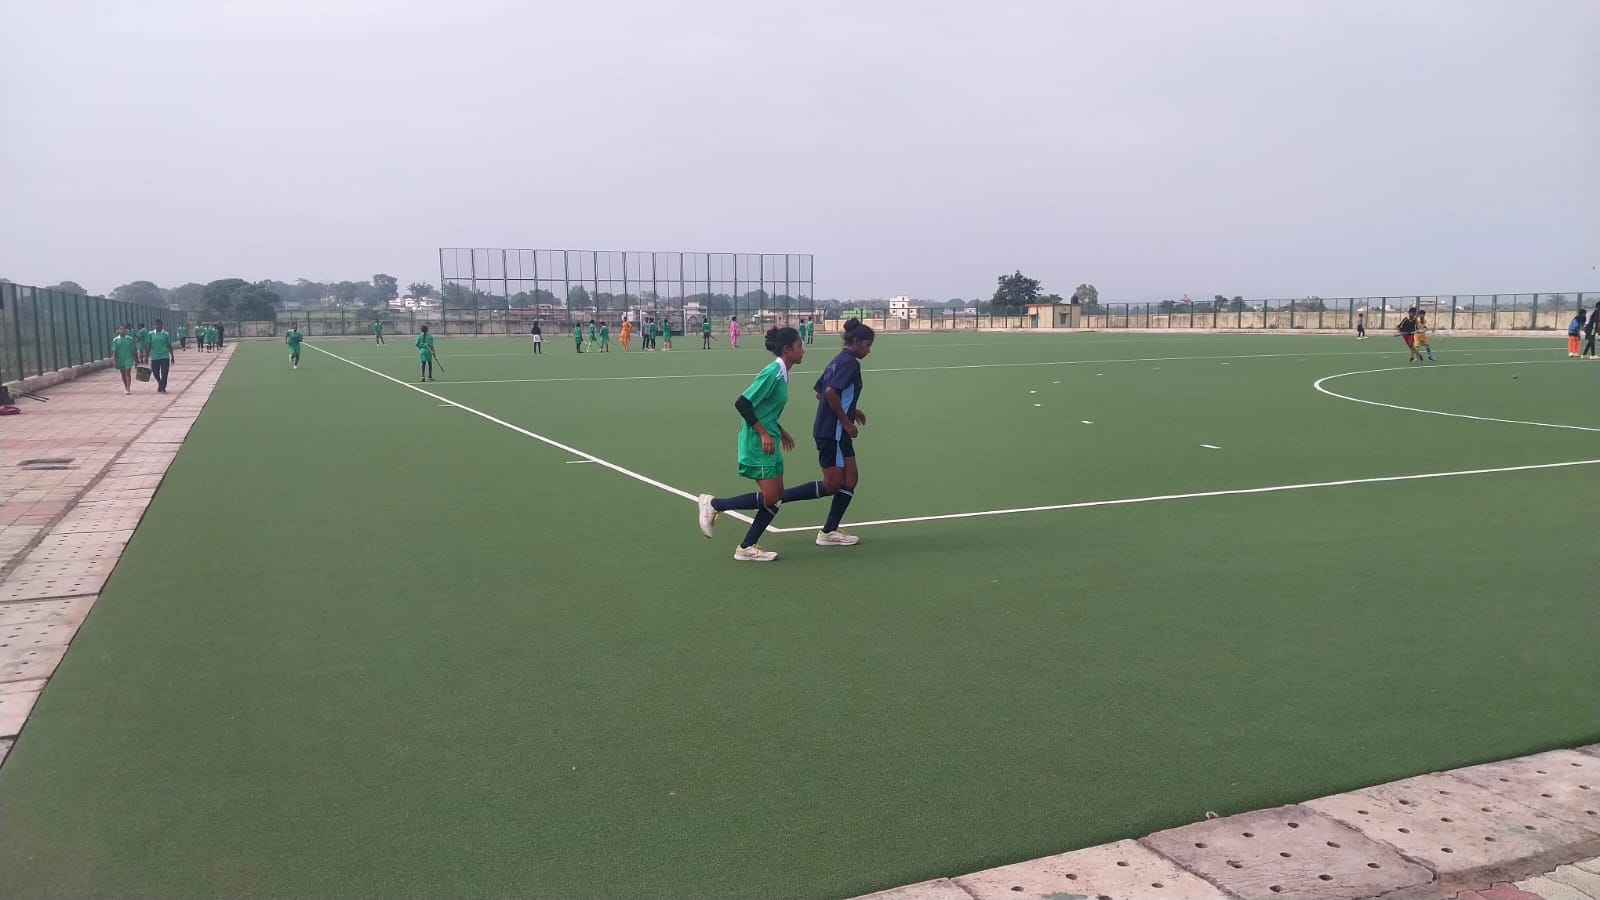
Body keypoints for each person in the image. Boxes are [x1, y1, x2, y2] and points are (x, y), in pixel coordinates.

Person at [695, 327, 807, 561]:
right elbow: (743, 404)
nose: (803, 350)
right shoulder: (773, 372)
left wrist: (779, 430)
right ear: (787, 350)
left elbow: (766, 408)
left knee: (777, 497)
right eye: (799, 346)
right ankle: (714, 504)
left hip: (770, 439)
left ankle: (747, 547)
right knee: (769, 497)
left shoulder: (784, 373)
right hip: (759, 443)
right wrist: (765, 434)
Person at [148, 319, 173, 393]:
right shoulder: (151, 334)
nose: (157, 326)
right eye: (155, 325)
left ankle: (163, 388)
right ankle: (160, 383)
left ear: (161, 325)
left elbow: (169, 345)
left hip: (164, 356)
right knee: (155, 372)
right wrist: (146, 356)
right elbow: (149, 344)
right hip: (155, 356)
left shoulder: (165, 334)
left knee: (164, 372)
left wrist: (172, 355)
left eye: (158, 324)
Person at [112, 324, 136, 395]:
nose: (122, 331)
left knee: (127, 372)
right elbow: (114, 352)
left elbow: (133, 350)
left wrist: (136, 360)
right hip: (120, 359)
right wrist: (114, 361)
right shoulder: (116, 340)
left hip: (128, 358)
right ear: (118, 330)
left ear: (126, 331)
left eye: (123, 329)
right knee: (122, 373)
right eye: (120, 329)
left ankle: (128, 388)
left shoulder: (130, 339)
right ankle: (125, 386)